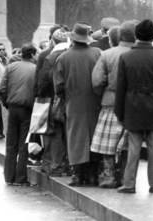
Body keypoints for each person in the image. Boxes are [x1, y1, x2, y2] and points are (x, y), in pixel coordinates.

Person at [115, 19, 153, 194]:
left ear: (136, 35)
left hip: (132, 107)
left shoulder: (125, 57)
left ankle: (129, 183)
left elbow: (121, 88)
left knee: (133, 148)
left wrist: (120, 112)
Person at [54, 23, 101, 186]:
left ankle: (78, 174)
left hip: (72, 104)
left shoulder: (63, 58)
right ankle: (94, 174)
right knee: (94, 136)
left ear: (73, 39)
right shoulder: (97, 54)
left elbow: (58, 86)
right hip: (95, 103)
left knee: (75, 137)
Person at [91, 21, 136, 188]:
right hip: (133, 105)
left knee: (107, 145)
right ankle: (126, 178)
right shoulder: (137, 53)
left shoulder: (107, 55)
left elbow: (96, 81)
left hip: (110, 102)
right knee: (128, 145)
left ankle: (108, 177)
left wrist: (102, 94)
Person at [0, 43, 37, 186]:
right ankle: (20, 178)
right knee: (23, 144)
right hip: (27, 109)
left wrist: (7, 104)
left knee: (11, 143)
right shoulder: (35, 69)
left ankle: (9, 176)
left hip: (13, 108)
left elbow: (2, 89)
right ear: (32, 54)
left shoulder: (10, 67)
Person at [38, 29, 71, 176]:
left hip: (53, 101)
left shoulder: (49, 57)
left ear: (53, 41)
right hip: (72, 101)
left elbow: (43, 83)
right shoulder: (70, 54)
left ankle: (56, 165)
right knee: (68, 133)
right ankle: (69, 165)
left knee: (55, 134)